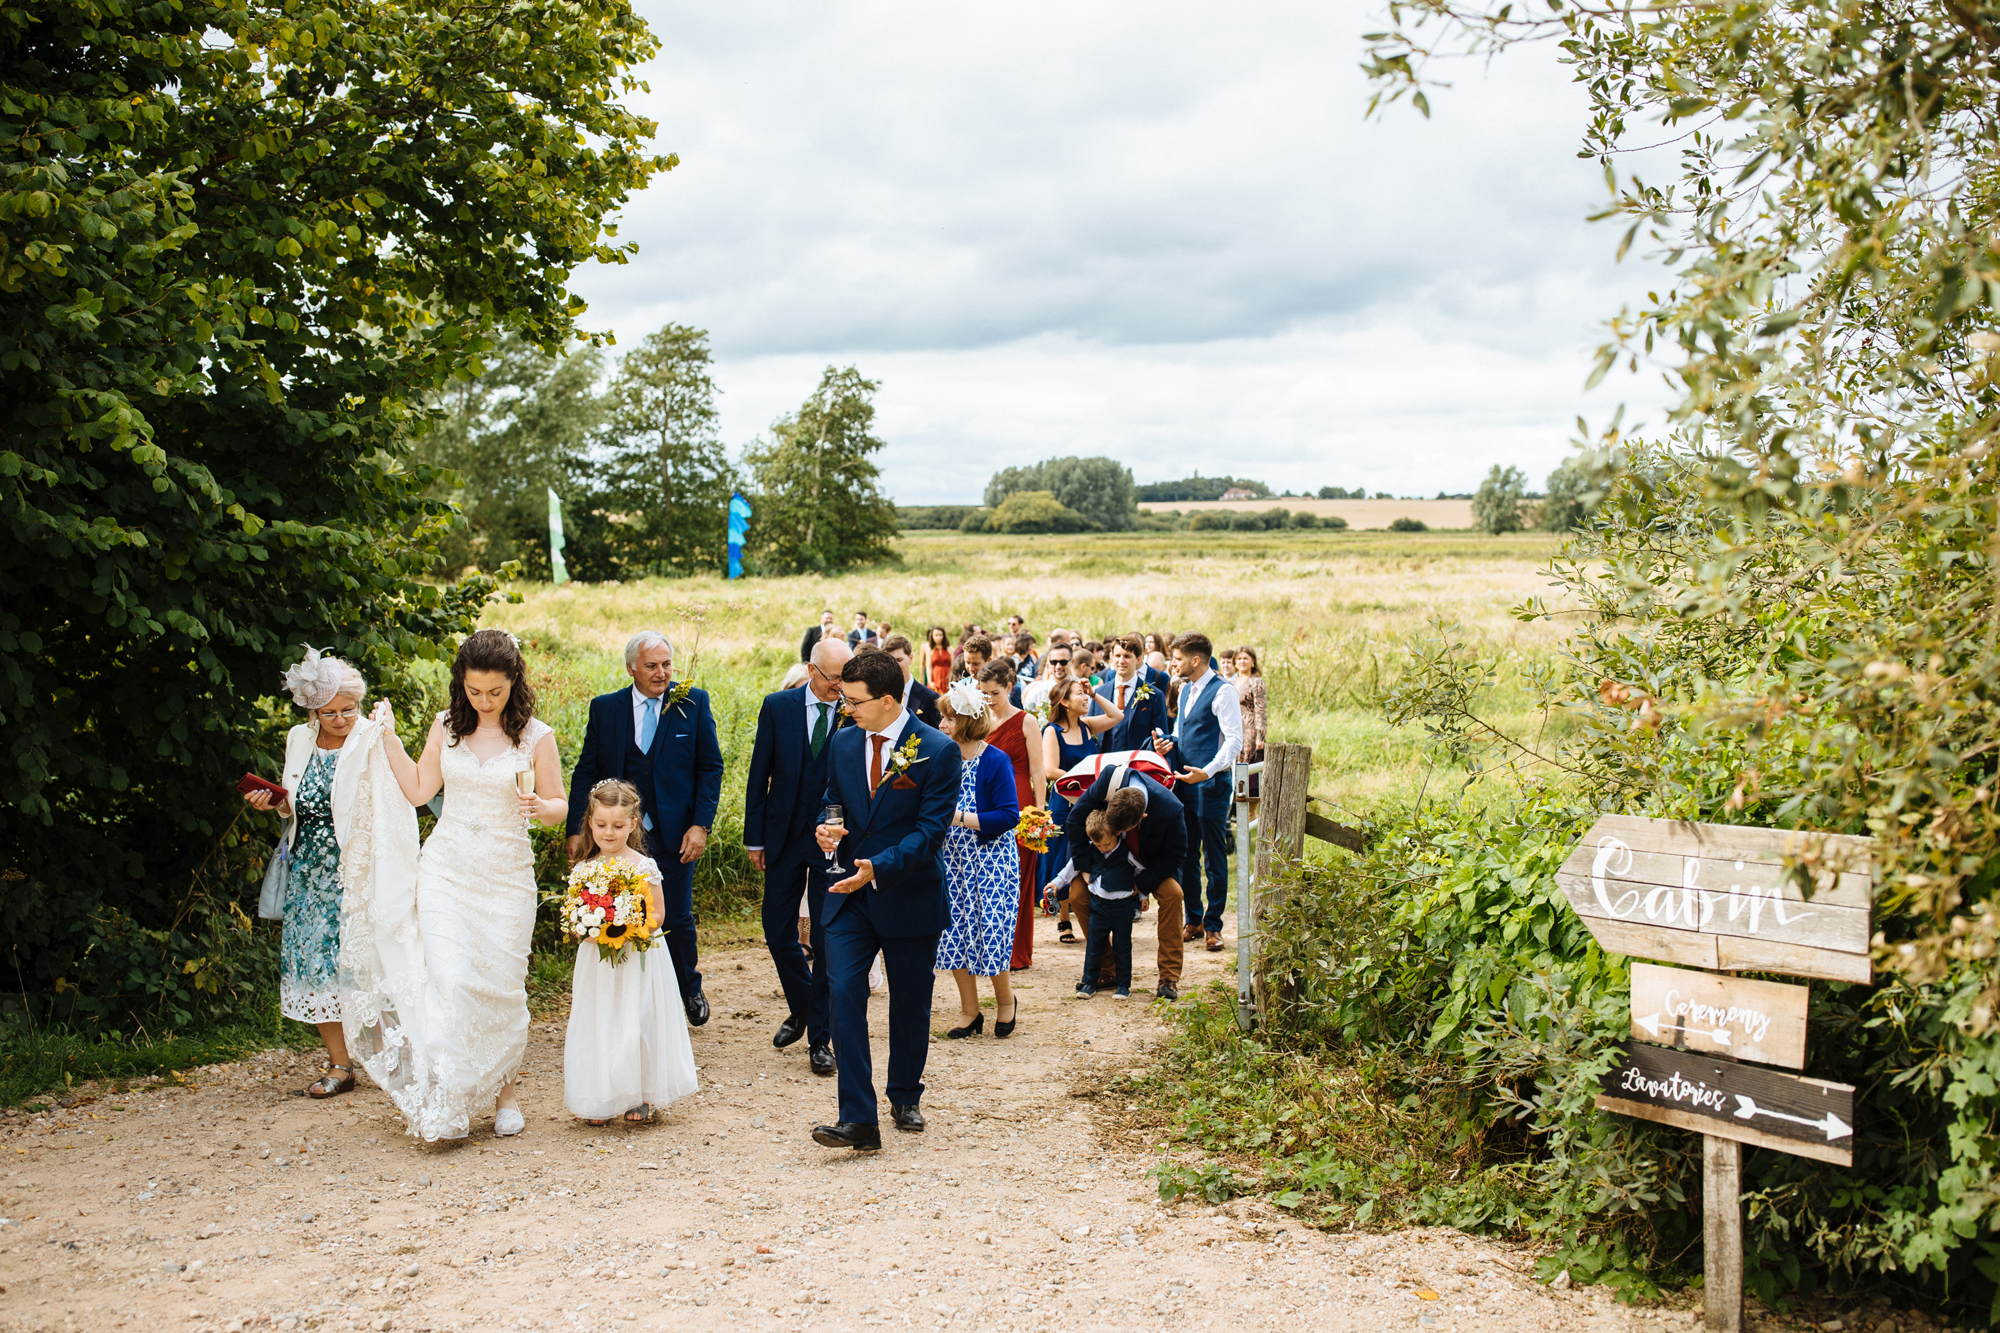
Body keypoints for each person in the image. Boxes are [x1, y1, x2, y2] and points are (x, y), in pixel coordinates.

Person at [362, 629, 568, 1140]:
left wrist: (543, 810)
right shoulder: (446, 727)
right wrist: (387, 737)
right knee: (450, 981)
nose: (484, 700)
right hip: (446, 871)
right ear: (462, 685)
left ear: (513, 682)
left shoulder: (536, 736)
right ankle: (450, 1100)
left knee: (499, 987)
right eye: (475, 691)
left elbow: (559, 805)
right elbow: (417, 790)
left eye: (494, 692)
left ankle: (505, 1093)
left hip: (506, 877)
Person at [810, 650, 962, 1152]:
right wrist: (828, 827)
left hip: (908, 892)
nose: (845, 708)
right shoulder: (844, 741)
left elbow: (930, 832)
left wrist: (880, 866)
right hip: (847, 897)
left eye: (854, 701)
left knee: (911, 1004)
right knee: (844, 993)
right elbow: (833, 797)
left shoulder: (937, 751)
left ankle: (904, 1094)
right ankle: (858, 1117)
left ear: (889, 699)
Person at [247, 649, 405, 1099]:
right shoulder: (298, 738)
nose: (340, 719)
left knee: (367, 961)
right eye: (329, 712)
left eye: (348, 710)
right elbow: (293, 803)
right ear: (313, 711)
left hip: (358, 868)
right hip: (308, 871)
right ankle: (340, 1064)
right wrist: (274, 802)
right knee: (316, 964)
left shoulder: (373, 738)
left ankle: (387, 1055)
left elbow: (395, 802)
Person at [566, 631, 725, 1026]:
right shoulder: (606, 709)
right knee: (619, 914)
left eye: (667, 664)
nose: (662, 673)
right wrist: (575, 828)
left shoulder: (693, 702)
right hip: (618, 834)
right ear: (631, 667)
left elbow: (710, 768)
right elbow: (586, 769)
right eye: (652, 665)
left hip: (676, 832)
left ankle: (689, 987)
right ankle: (633, 999)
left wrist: (700, 825)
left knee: (676, 917)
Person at [745, 636, 852, 1078]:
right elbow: (759, 773)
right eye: (833, 678)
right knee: (776, 929)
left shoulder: (854, 713)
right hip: (784, 838)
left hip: (833, 842)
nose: (840, 686)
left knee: (826, 939)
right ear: (811, 671)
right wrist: (755, 839)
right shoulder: (778, 707)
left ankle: (820, 1039)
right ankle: (805, 1007)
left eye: (847, 677)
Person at [563, 780, 699, 1126]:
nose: (609, 833)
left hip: (638, 958)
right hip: (598, 961)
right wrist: (593, 928)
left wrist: (628, 926)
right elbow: (576, 917)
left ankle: (640, 1095)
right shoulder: (584, 869)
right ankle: (600, 1096)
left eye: (618, 826)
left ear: (633, 825)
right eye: (601, 825)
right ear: (590, 823)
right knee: (600, 1020)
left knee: (635, 1021)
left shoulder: (643, 865)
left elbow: (658, 915)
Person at [933, 680, 1022, 1038]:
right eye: (943, 718)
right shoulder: (942, 758)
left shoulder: (995, 760)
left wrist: (957, 818)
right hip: (951, 862)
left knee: (990, 933)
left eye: (949, 719)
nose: (942, 725)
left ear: (968, 721)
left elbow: (1008, 815)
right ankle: (970, 1012)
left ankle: (1005, 1002)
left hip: (990, 862)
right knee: (954, 936)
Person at [1060, 767, 1187, 998]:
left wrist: (1142, 884)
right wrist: (1087, 867)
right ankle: (1108, 970)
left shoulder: (1171, 808)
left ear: (1142, 818)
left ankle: (1168, 977)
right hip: (1104, 860)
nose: (1117, 833)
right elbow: (1075, 819)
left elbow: (1176, 855)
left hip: (1146, 865)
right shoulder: (1109, 780)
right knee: (1077, 896)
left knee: (1173, 894)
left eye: (1121, 830)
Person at [1153, 633, 1244, 956]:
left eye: (1176, 659)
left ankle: (1215, 924)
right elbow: (1184, 732)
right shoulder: (1184, 688)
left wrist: (1208, 771)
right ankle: (1194, 918)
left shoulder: (1224, 691)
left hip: (1211, 785)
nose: (1172, 664)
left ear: (1195, 660)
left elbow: (1234, 741)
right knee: (1186, 852)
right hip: (1184, 783)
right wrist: (1168, 742)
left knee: (1215, 856)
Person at [1040, 675, 1123, 941]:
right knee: (1063, 855)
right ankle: (1063, 920)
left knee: (1085, 853)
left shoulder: (1087, 726)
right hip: (1065, 803)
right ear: (1064, 702)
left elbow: (1116, 716)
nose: (1084, 698)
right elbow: (1050, 769)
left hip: (1088, 802)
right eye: (1079, 694)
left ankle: (1087, 909)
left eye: (1084, 694)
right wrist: (1085, 778)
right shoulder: (1052, 731)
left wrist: (1095, 692)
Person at [976, 658, 1045, 971]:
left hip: (1020, 803)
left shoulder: (1026, 721)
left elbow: (1038, 771)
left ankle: (1015, 952)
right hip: (983, 801)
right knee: (987, 876)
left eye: (994, 692)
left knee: (1017, 878)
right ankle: (988, 947)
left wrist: (1040, 813)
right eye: (984, 692)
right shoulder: (978, 719)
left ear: (1009, 687)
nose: (989, 699)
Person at [1071, 809, 1142, 998]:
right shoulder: (1091, 850)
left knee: (1122, 946)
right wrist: (1056, 883)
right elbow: (1071, 866)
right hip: (1099, 906)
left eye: (1107, 844)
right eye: (1098, 844)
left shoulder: (1127, 852)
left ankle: (1123, 985)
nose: (1103, 848)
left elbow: (1140, 871)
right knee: (1094, 946)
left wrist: (1143, 896)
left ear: (1117, 834)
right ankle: (1089, 982)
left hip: (1122, 907)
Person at [1098, 635, 1170, 753]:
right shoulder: (1100, 693)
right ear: (1111, 657)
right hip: (1103, 764)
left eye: (1127, 656)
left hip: (1138, 765)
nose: (1121, 661)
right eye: (1117, 656)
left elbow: (1161, 736)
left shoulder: (1155, 696)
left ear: (1138, 659)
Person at [1234, 646, 1268, 821]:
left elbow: (1260, 711)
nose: (1242, 662)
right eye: (1239, 659)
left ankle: (1251, 815)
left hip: (1250, 731)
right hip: (1235, 730)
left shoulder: (1256, 682)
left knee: (1250, 774)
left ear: (1253, 661)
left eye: (1245, 658)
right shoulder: (1233, 682)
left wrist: (1260, 737)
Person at [880, 634, 941, 727]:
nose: (894, 666)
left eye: (899, 660)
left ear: (911, 658)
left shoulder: (930, 698)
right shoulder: (877, 694)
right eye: (889, 661)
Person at [925, 626, 954, 693]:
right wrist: (930, 681)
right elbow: (929, 667)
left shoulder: (949, 649)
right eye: (936, 635)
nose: (938, 637)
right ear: (932, 636)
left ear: (943, 636)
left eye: (940, 635)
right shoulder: (930, 650)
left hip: (947, 675)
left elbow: (952, 666)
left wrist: (952, 679)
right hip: (935, 676)